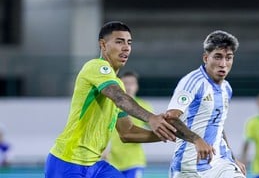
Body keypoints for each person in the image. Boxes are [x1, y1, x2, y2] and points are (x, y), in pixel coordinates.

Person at [44, 21, 177, 178]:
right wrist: (151, 118)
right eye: (119, 42)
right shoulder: (95, 67)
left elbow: (127, 132)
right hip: (67, 161)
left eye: (129, 43)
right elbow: (119, 98)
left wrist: (168, 133)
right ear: (103, 45)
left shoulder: (118, 83)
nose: (126, 47)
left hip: (95, 165)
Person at [164, 30, 247, 178]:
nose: (223, 64)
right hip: (189, 165)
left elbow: (218, 125)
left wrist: (233, 159)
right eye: (218, 57)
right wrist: (197, 139)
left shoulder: (226, 88)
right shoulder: (193, 82)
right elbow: (170, 118)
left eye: (228, 58)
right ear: (206, 57)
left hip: (220, 162)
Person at [105, 71, 154, 178]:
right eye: (126, 83)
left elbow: (155, 128)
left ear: (137, 86)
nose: (129, 86)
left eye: (132, 83)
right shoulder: (111, 105)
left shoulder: (143, 106)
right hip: (112, 160)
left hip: (134, 161)